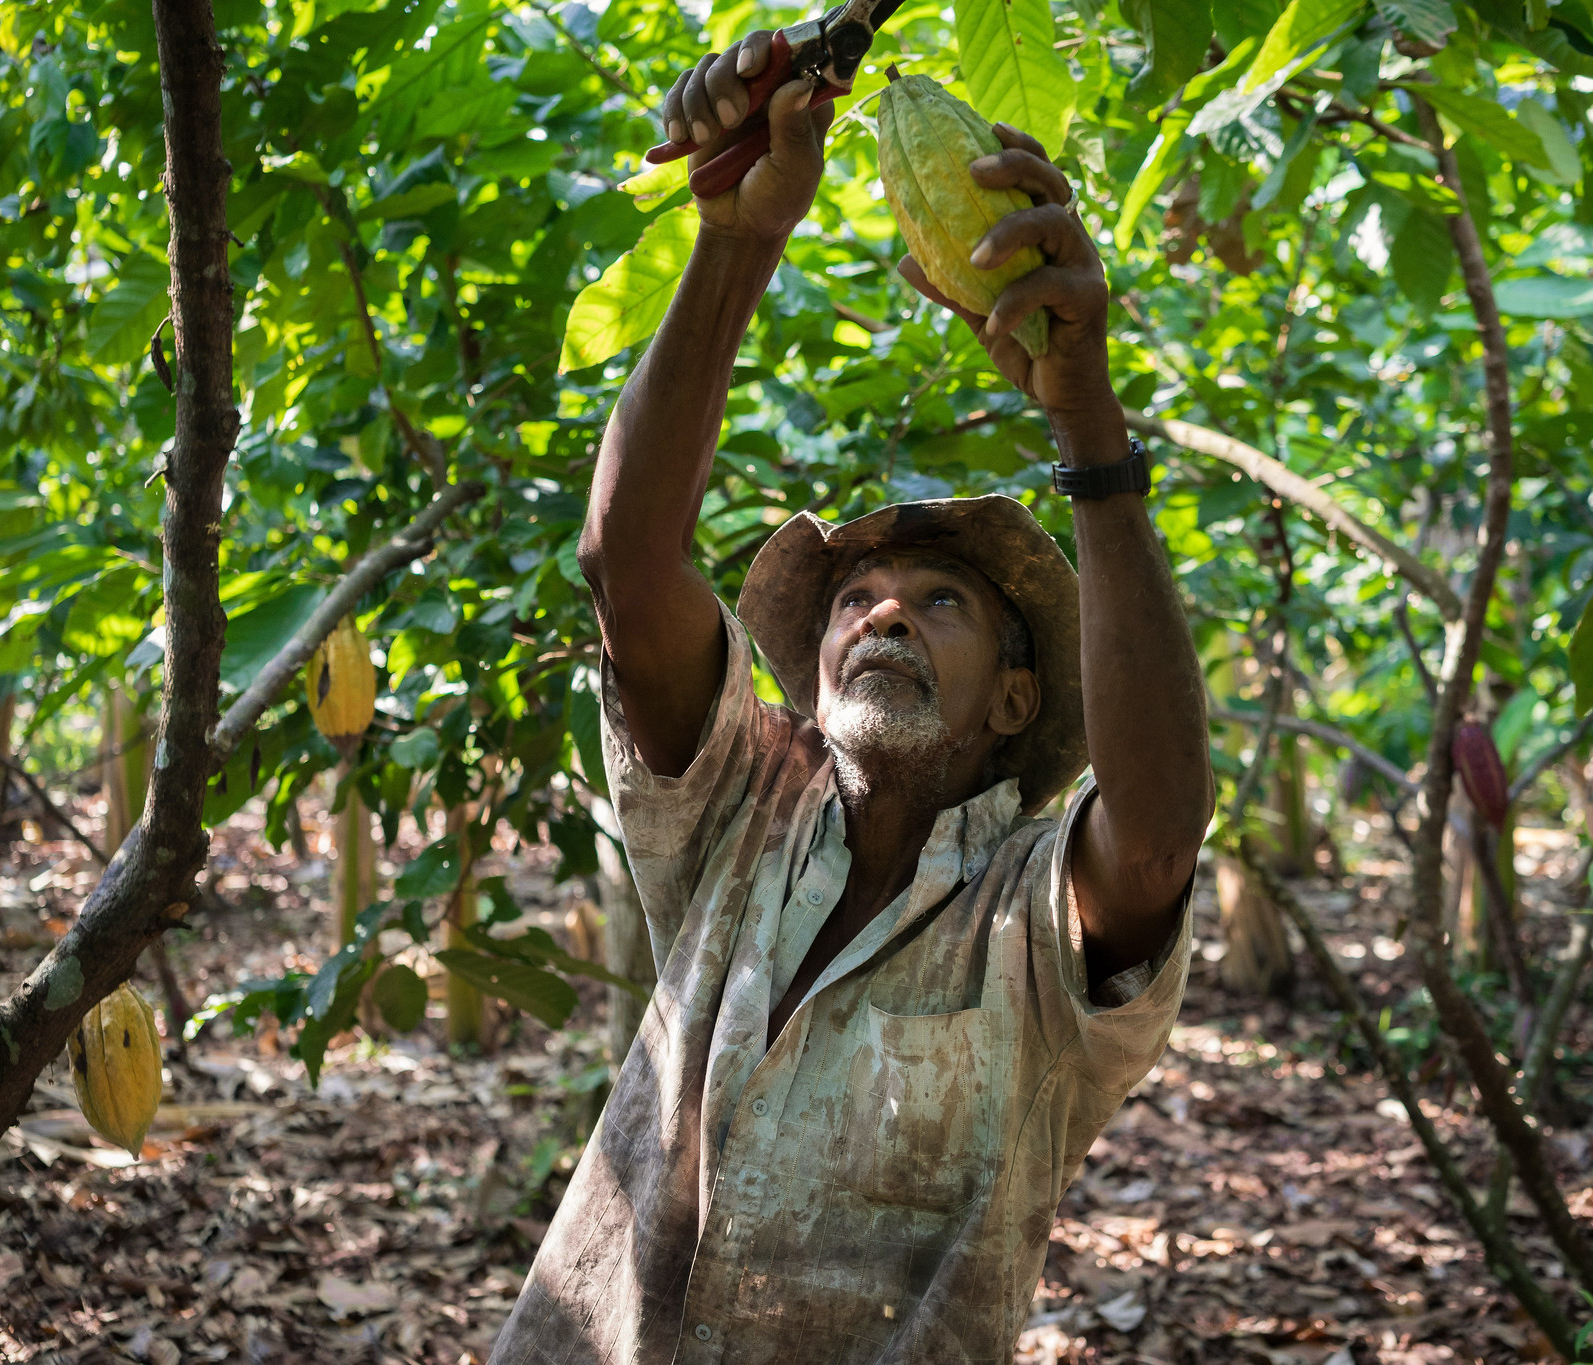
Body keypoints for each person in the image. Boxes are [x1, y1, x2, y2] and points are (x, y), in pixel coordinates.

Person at [490, 30, 1212, 1364]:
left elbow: (1159, 828)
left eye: (941, 603)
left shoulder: (1031, 925)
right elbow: (627, 558)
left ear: (1010, 703)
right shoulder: (740, 813)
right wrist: (736, 237)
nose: (882, 611)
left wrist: (1089, 424)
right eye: (854, 600)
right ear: (813, 677)